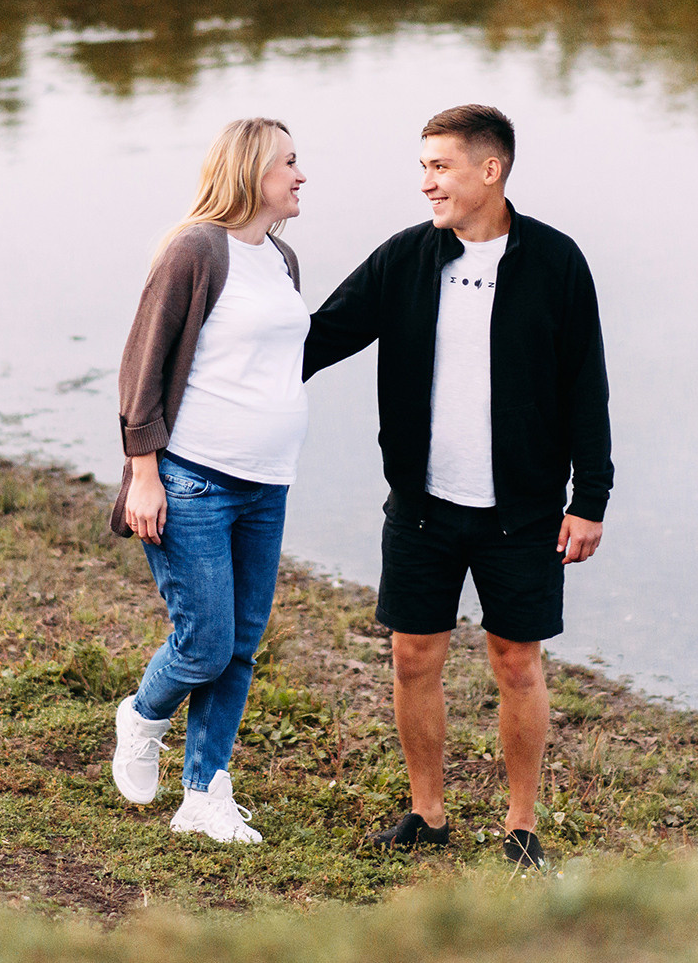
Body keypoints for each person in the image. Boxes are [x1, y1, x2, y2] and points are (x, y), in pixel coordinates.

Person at [303, 104, 611, 869]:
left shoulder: (555, 262)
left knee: (516, 660)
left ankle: (520, 824)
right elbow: (318, 337)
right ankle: (427, 812)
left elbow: (587, 387)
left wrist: (590, 498)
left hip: (524, 509)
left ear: (490, 169)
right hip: (422, 506)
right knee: (414, 653)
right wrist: (218, 360)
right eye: (423, 167)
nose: (426, 183)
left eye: (439, 166)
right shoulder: (406, 259)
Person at [107, 117, 309, 844]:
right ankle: (142, 714)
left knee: (243, 645)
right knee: (205, 642)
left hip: (267, 484)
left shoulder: (282, 260)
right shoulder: (196, 249)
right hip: (192, 481)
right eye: (290, 161)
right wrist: (143, 474)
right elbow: (143, 363)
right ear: (253, 170)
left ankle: (204, 794)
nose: (301, 174)